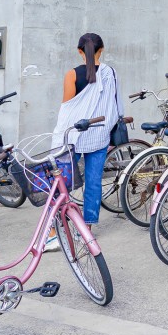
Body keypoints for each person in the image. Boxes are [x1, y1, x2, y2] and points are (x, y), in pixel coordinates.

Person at [46, 33, 123, 250]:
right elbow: (115, 105)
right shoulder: (111, 74)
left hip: (74, 138)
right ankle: (86, 230)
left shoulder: (72, 75)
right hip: (99, 136)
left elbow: (68, 111)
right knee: (93, 182)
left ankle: (53, 232)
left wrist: (59, 136)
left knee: (60, 184)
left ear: (79, 51)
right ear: (102, 49)